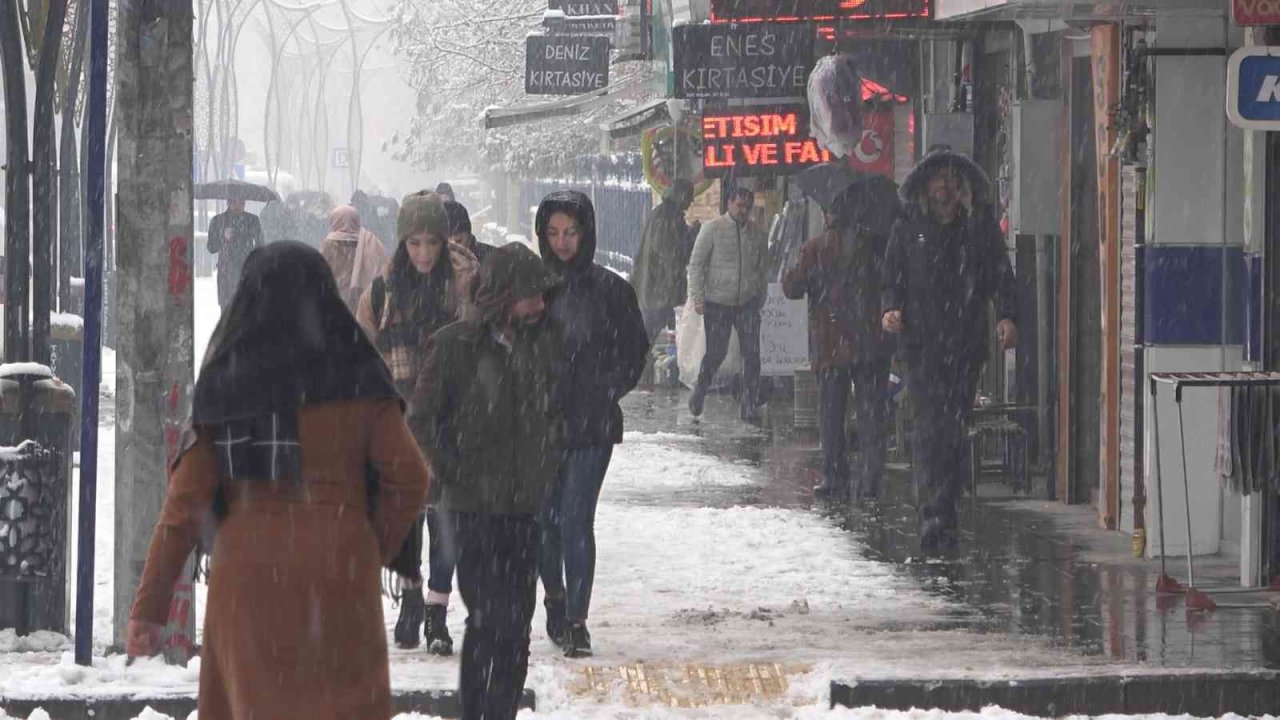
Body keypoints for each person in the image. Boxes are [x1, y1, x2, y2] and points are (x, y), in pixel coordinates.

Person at [126, 241, 430, 720]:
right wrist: (370, 542)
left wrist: (149, 608)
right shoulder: (358, 375)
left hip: (248, 576)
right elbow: (410, 476)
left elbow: (183, 508)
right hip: (341, 572)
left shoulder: (227, 384)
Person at [409, 243, 562, 720]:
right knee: (486, 621)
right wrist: (451, 468)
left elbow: (553, 411)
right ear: (501, 297)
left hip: (523, 506)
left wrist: (544, 462)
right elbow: (420, 420)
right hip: (471, 508)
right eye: (529, 297)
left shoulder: (542, 343)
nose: (538, 306)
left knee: (517, 625)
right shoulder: (454, 346)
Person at [356, 191, 478, 655]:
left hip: (454, 421)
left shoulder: (466, 284)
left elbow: (483, 346)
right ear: (403, 242)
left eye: (431, 242)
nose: (423, 253)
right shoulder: (384, 290)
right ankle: (409, 598)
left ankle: (436, 611)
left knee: (447, 524)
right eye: (415, 243)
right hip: (401, 422)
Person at [881, 150, 1018, 553]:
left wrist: (1007, 317)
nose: (944, 186)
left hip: (965, 346)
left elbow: (1000, 276)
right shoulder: (908, 227)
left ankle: (947, 507)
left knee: (953, 431)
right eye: (937, 178)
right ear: (925, 186)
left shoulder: (978, 228)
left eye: (951, 178)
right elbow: (892, 277)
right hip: (921, 348)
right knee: (928, 430)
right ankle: (932, 511)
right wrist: (890, 309)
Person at [535, 191, 649, 657]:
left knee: (576, 521)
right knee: (545, 521)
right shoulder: (532, 289)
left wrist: (605, 392)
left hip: (591, 425)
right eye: (554, 233)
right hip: (539, 427)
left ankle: (578, 619)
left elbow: (634, 352)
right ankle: (555, 597)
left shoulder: (611, 291)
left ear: (586, 234)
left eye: (571, 232)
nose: (563, 243)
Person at [784, 174, 900, 501]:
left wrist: (803, 270)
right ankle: (870, 482)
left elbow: (791, 288)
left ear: (829, 214)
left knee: (832, 415)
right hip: (869, 342)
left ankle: (835, 479)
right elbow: (890, 282)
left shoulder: (816, 248)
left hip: (831, 342)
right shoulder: (876, 245)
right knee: (870, 414)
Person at [686, 187, 769, 422]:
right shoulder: (712, 229)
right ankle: (700, 389)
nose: (743, 211)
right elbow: (696, 264)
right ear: (730, 203)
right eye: (739, 205)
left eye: (747, 207)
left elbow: (763, 268)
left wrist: (760, 296)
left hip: (748, 301)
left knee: (752, 354)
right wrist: (698, 297)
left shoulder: (757, 234)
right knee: (716, 352)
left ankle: (749, 403)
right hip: (718, 301)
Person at [630, 179, 699, 348]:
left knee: (658, 338)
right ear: (681, 196)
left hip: (654, 288)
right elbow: (672, 255)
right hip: (660, 292)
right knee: (649, 340)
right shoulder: (669, 218)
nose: (691, 202)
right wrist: (693, 235)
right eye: (689, 198)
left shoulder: (660, 214)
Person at [322, 204, 388, 314]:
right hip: (360, 297)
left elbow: (320, 269)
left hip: (335, 299)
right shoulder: (368, 242)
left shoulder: (329, 244)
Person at [207, 198, 264, 308]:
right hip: (226, 271)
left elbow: (260, 245)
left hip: (246, 269)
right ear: (228, 203)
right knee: (226, 307)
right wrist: (223, 237)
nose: (238, 206)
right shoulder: (218, 221)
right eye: (234, 202)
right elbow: (211, 247)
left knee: (246, 307)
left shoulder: (252, 220)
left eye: (241, 202)